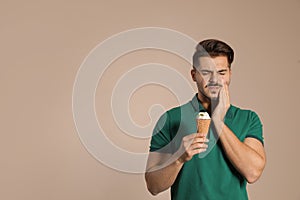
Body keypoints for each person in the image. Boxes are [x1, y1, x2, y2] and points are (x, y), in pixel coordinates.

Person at [145, 39, 266, 200]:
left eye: (222, 72)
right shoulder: (170, 119)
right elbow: (153, 186)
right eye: (206, 72)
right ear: (193, 75)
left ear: (230, 74)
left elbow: (253, 173)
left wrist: (218, 121)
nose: (215, 79)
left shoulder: (248, 118)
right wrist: (179, 158)